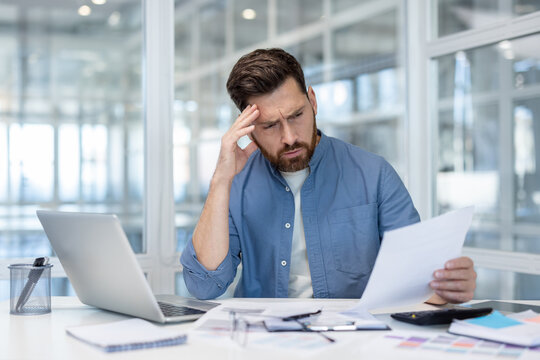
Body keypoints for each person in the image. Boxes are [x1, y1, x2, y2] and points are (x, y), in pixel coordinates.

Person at [180, 48, 476, 303]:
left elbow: (417, 280)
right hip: (260, 341)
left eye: (297, 115)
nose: (289, 137)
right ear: (248, 128)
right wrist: (221, 181)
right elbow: (204, 286)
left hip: (354, 340)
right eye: (270, 126)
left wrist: (450, 287)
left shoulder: (374, 174)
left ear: (313, 101)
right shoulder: (237, 182)